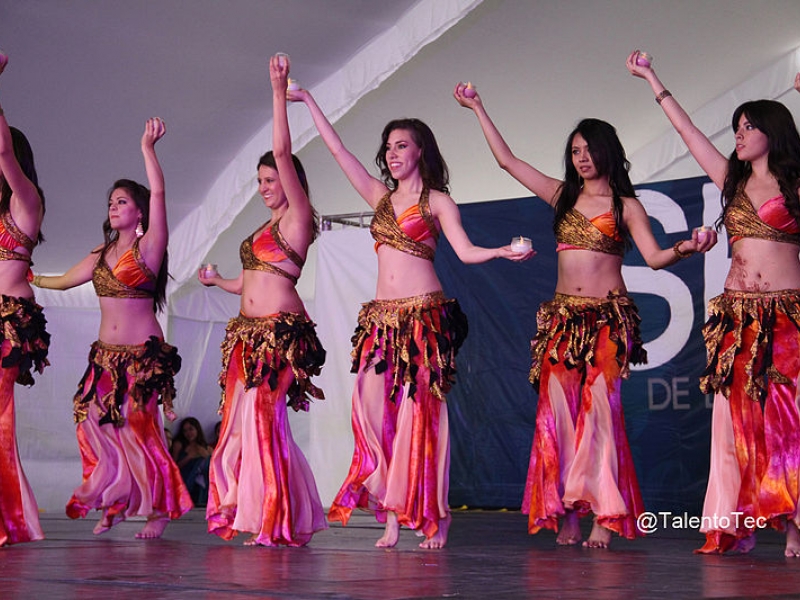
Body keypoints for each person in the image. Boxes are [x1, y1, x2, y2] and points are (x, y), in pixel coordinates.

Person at [454, 82, 716, 548]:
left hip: (606, 321)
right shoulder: (562, 197)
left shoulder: (626, 206)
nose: (582, 158)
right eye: (575, 151)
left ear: (607, 153)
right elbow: (508, 162)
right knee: (558, 417)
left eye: (589, 149)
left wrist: (686, 247)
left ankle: (604, 514)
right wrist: (478, 108)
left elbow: (654, 258)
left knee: (600, 416)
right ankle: (566, 513)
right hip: (561, 320)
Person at [291, 83, 531, 549]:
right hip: (380, 323)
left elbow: (462, 251)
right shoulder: (380, 198)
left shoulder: (437, 202)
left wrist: (500, 251)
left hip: (424, 321)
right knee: (374, 413)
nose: (393, 153)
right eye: (388, 147)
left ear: (421, 150)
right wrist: (307, 102)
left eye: (402, 145)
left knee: (421, 418)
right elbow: (337, 149)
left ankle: (432, 517)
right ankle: (392, 515)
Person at [629, 51, 800, 556]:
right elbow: (687, 133)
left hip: (788, 316)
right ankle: (736, 521)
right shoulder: (732, 179)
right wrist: (651, 78)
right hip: (738, 316)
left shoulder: (795, 183)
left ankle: (793, 522)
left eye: (748, 127)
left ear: (774, 130)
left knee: (787, 420)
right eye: (736, 128)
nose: (739, 135)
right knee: (734, 421)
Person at [33, 117, 192, 539]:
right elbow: (63, 279)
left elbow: (159, 191)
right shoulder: (101, 254)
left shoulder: (149, 248)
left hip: (142, 354)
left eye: (122, 201)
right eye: (110, 202)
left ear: (138, 211)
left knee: (141, 429)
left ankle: (157, 510)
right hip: (104, 355)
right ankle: (113, 500)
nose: (113, 207)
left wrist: (148, 149)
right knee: (92, 423)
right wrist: (27, 277)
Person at [200, 54, 327, 547]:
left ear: (290, 180)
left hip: (280, 334)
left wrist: (277, 93)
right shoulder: (262, 229)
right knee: (240, 425)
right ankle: (281, 513)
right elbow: (251, 283)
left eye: (270, 179)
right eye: (259, 182)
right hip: (245, 334)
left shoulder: (298, 216)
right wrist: (220, 282)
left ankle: (275, 518)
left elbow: (281, 148)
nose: (264, 187)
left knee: (263, 420)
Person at [0, 53, 50, 547]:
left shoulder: (26, 204)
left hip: (9, 325)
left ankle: (9, 519)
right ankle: (12, 517)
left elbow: (3, 156)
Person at [171, 417, 212, 507]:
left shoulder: (206, 448)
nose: (188, 433)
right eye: (185, 431)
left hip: (202, 486)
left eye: (191, 429)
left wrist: (205, 456)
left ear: (197, 429)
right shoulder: (179, 444)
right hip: (184, 484)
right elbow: (173, 468)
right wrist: (189, 457)